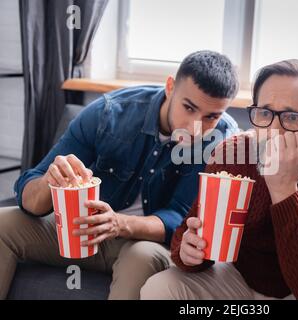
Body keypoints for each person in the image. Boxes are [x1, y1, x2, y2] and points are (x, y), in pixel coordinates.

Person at [0, 50, 239, 299]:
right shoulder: (109, 113)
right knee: (2, 224)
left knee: (140, 258)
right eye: (188, 108)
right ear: (170, 87)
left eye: (211, 116)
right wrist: (49, 182)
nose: (195, 127)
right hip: (86, 228)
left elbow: (179, 217)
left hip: (146, 243)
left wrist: (120, 223)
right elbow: (28, 197)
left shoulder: (221, 141)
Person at [140, 59, 298, 300]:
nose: (273, 130)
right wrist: (189, 251)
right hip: (239, 277)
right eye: (265, 113)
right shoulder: (234, 153)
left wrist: (285, 190)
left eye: (291, 117)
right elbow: (188, 236)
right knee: (162, 287)